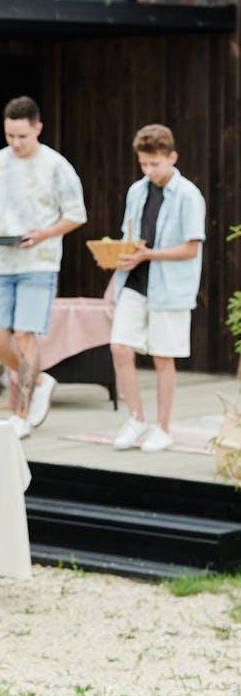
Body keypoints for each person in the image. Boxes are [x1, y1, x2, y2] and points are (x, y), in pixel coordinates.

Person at [0, 96, 87, 439]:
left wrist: (44, 234)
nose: (15, 143)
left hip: (39, 262)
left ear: (38, 128)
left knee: (25, 334)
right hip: (2, 262)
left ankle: (21, 415)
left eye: (22, 136)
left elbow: (76, 215)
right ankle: (39, 380)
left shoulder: (56, 165)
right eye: (10, 135)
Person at [106, 124, 204, 452]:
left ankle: (163, 427)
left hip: (170, 287)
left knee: (164, 357)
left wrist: (149, 254)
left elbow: (191, 247)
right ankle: (137, 419)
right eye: (143, 164)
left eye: (155, 165)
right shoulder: (137, 190)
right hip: (133, 281)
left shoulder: (189, 194)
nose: (149, 171)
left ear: (172, 157)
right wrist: (114, 274)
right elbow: (127, 237)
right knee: (120, 347)